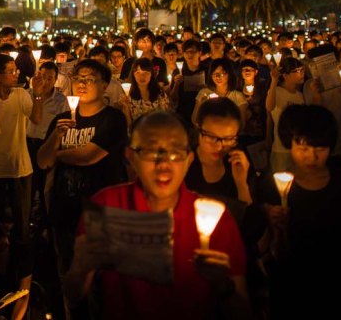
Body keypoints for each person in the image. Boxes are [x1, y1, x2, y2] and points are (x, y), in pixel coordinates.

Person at [63, 111, 250, 319]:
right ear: (131, 157)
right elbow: (73, 297)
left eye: (175, 153)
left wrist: (223, 286)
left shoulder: (215, 218)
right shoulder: (107, 206)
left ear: (188, 160)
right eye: (150, 152)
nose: (163, 164)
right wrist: (81, 266)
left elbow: (243, 311)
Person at [37, 59, 128, 318]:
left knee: (101, 280)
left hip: (100, 214)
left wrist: (60, 154)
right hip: (64, 211)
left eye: (90, 79)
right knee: (70, 277)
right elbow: (43, 161)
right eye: (78, 78)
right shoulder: (62, 119)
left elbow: (90, 155)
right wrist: (56, 136)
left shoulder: (113, 119)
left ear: (104, 85)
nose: (82, 83)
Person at [256, 104, 341, 320]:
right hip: (291, 283)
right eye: (303, 148)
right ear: (290, 142)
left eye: (320, 149)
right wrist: (273, 223)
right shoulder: (272, 186)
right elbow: (266, 247)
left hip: (336, 280)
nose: (311, 157)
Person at [0, 54, 34, 253]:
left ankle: (20, 269)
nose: (16, 75)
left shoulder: (21, 95)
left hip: (19, 168)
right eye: (11, 72)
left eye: (17, 71)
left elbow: (36, 118)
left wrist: (36, 95)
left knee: (21, 224)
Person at [26, 61, 70, 226]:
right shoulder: (27, 95)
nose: (45, 82)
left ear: (55, 80)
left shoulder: (60, 100)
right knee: (28, 186)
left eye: (50, 78)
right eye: (42, 77)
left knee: (46, 186)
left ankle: (45, 222)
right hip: (28, 144)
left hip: (48, 145)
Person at [186, 97, 253, 205]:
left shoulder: (239, 162)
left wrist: (241, 183)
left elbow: (248, 214)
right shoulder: (185, 163)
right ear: (198, 127)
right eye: (211, 137)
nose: (219, 147)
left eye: (228, 139)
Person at [265, 57, 309, 172]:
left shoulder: (299, 95)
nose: (301, 74)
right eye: (297, 71)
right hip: (281, 148)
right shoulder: (277, 91)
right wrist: (274, 80)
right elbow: (269, 107)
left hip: (298, 148)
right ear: (285, 75)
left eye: (302, 70)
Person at [191, 58, 248, 129]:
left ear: (229, 75)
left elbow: (241, 124)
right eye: (214, 73)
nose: (217, 77)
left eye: (222, 73)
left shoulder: (238, 96)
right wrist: (203, 106)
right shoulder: (204, 93)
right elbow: (194, 120)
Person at [119, 57, 171, 127]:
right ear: (133, 75)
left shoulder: (159, 93)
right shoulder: (128, 96)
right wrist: (125, 107)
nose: (142, 76)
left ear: (151, 74)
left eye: (146, 73)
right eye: (138, 73)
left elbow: (166, 118)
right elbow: (129, 125)